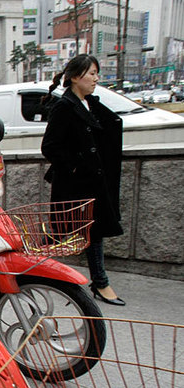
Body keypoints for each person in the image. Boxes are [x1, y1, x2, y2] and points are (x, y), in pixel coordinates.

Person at [41, 55, 125, 306]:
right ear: (76, 77)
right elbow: (50, 146)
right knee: (63, 233)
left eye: (97, 73)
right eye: (92, 73)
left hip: (90, 184)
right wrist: (76, 167)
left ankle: (100, 281)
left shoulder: (88, 103)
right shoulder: (64, 107)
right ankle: (22, 262)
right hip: (74, 185)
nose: (96, 79)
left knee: (90, 231)